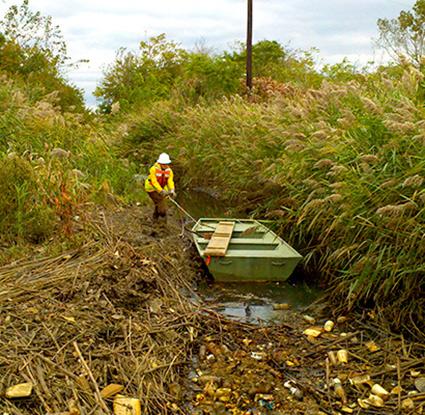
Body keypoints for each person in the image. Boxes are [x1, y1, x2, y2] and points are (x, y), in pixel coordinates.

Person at [145, 153, 176, 222]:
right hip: (151, 188)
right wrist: (161, 191)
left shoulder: (169, 171)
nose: (165, 166)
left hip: (162, 188)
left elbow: (170, 181)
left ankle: (155, 218)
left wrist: (172, 189)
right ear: (160, 163)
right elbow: (154, 182)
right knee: (160, 201)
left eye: (166, 164)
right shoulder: (153, 169)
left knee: (160, 202)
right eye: (163, 164)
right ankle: (163, 216)